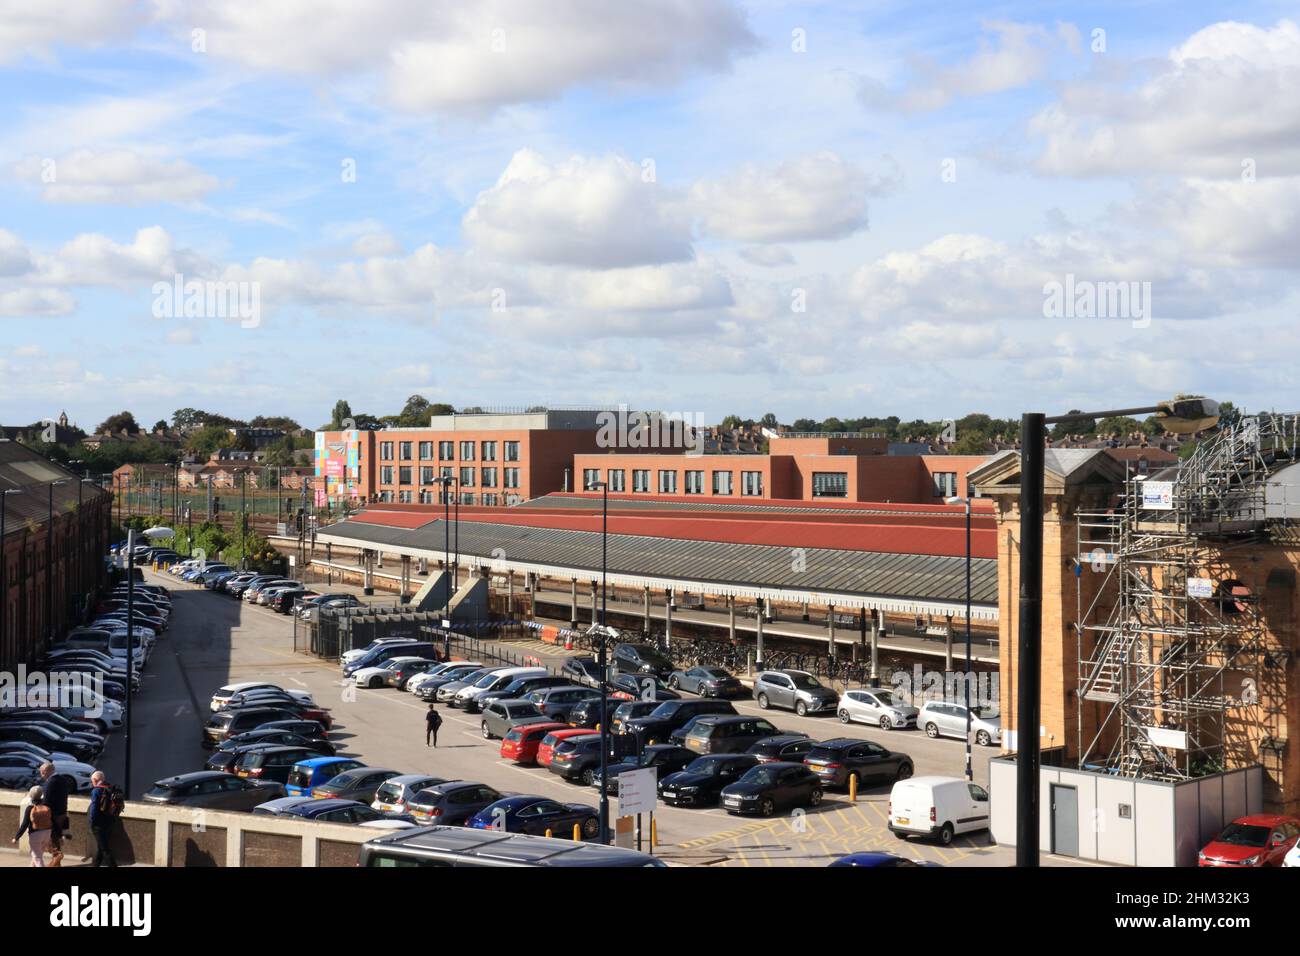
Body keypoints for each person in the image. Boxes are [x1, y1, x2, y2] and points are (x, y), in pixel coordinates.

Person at [12, 787, 53, 867]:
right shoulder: (47, 806)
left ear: (31, 796)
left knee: (37, 857)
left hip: (35, 835)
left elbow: (24, 825)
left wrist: (16, 837)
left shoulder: (30, 808)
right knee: (38, 854)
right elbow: (52, 820)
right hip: (47, 833)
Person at [88, 771, 120, 867]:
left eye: (92, 781)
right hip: (110, 822)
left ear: (95, 780)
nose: (92, 783)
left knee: (105, 849)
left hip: (98, 824)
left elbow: (94, 809)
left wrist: (91, 822)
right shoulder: (110, 788)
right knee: (101, 847)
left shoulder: (96, 791)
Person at [39, 763, 71, 854]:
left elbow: (47, 801)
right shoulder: (62, 779)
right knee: (56, 839)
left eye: (41, 773)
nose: (41, 776)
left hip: (53, 815)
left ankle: (56, 861)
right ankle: (57, 861)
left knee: (53, 841)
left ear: (45, 772)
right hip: (62, 813)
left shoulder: (51, 782)